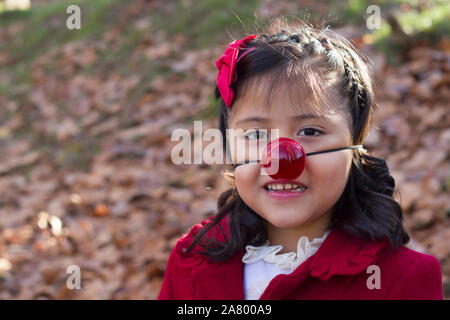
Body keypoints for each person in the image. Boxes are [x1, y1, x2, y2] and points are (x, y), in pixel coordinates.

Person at [157, 19, 443, 300]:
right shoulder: (190, 262)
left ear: (355, 143)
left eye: (310, 131)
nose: (281, 160)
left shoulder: (403, 279)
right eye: (256, 134)